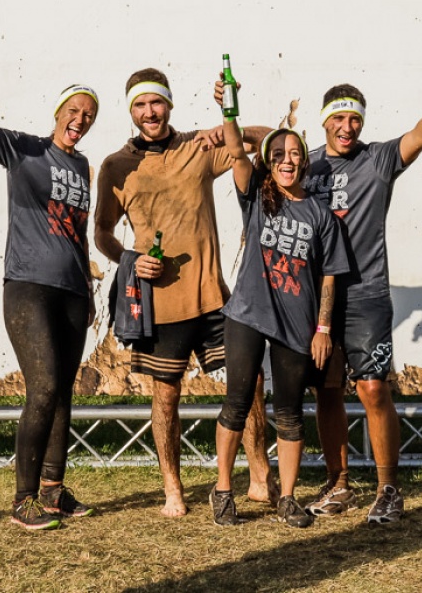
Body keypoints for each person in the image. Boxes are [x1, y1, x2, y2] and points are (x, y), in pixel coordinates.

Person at [93, 68, 277, 517]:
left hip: (213, 296)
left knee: (250, 382)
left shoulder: (199, 146)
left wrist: (230, 123)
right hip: (160, 304)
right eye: (140, 105)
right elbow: (101, 233)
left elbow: (272, 141)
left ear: (169, 104)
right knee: (166, 396)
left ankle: (259, 478)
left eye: (156, 102)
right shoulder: (116, 166)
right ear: (131, 110)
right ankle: (172, 490)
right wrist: (130, 259)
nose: (149, 112)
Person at [0, 43, 99, 531]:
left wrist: (89, 291)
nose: (80, 120)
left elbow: (77, 235)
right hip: (29, 287)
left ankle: (53, 490)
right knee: (44, 385)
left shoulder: (83, 167)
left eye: (88, 115)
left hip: (73, 291)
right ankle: (23, 499)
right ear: (58, 112)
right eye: (74, 111)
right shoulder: (26, 148)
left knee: (63, 392)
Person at [302, 70, 422, 525]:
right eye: (339, 118)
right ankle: (338, 484)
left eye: (355, 119)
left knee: (373, 388)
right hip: (318, 299)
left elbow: (421, 134)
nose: (347, 127)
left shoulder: (377, 159)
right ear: (324, 121)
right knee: (327, 392)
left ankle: (388, 489)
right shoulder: (306, 166)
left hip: (367, 294)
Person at [211, 107, 349, 529]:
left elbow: (329, 276)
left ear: (304, 161)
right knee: (237, 403)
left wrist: (323, 329)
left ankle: (287, 498)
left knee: (289, 411)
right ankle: (222, 490)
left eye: (294, 154)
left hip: (297, 324)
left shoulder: (320, 214)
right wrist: (229, 111)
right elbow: (237, 151)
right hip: (247, 315)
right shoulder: (256, 196)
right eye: (277, 155)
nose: (286, 161)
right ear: (268, 163)